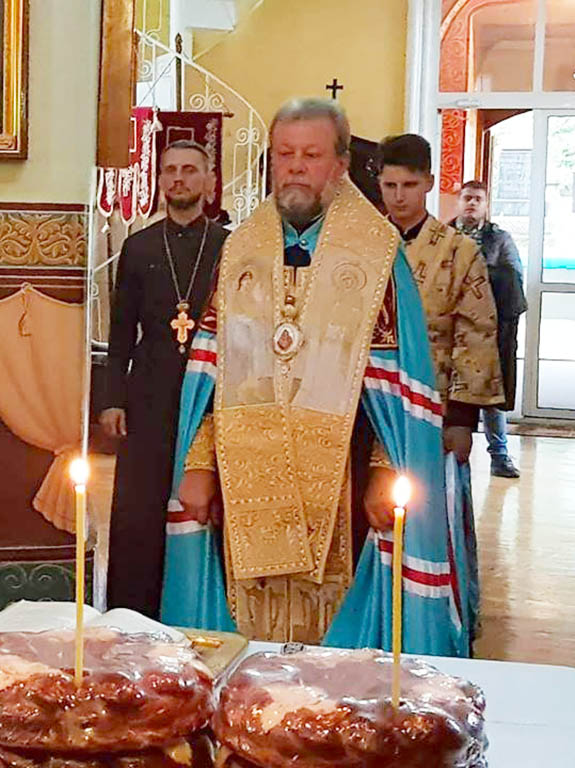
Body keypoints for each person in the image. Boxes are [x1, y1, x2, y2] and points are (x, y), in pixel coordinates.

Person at [162, 99, 472, 657]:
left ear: (341, 164)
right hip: (243, 478)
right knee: (248, 643)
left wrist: (386, 471)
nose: (296, 168)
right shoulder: (241, 250)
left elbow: (395, 386)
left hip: (346, 476)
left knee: (337, 661)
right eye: (285, 155)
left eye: (311, 155)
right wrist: (199, 462)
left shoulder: (376, 255)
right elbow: (211, 374)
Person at [377, 133, 505, 635]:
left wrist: (462, 418)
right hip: (372, 406)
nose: (399, 197)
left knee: (433, 514)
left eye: (409, 185)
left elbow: (477, 333)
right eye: (389, 185)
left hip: (435, 408)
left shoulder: (459, 251)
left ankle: (437, 618)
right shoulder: (362, 246)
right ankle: (378, 618)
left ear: (429, 183)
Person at [101, 140, 227, 617]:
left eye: (190, 170)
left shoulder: (229, 247)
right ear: (159, 181)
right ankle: (134, 616)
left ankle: (197, 611)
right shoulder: (139, 247)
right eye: (170, 170)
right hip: (149, 393)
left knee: (203, 503)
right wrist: (112, 398)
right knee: (140, 511)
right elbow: (120, 330)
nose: (179, 178)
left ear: (209, 181)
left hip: (210, 393)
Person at [452, 181, 527, 478]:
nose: (471, 203)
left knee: (491, 395)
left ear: (485, 205)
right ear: (459, 202)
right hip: (451, 329)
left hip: (488, 329)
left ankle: (500, 456)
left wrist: (478, 274)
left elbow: (513, 278)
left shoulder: (499, 239)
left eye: (477, 199)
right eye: (467, 198)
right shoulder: (442, 235)